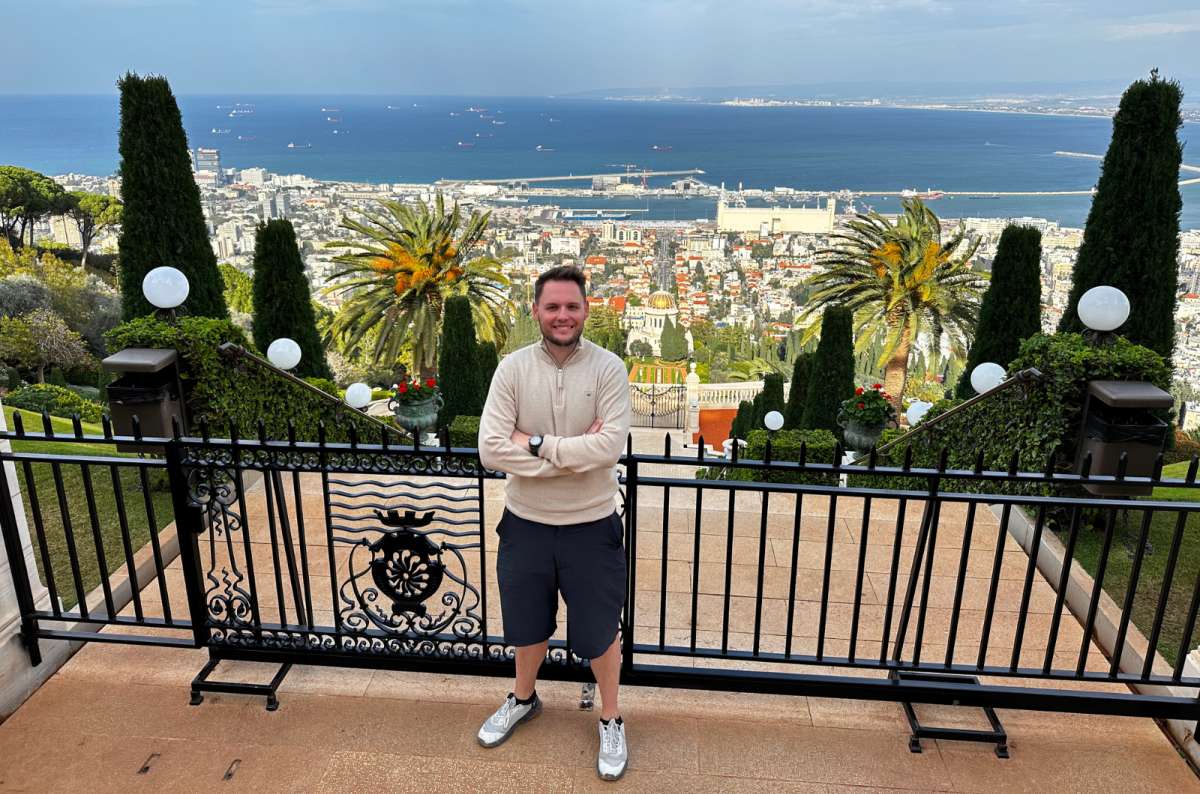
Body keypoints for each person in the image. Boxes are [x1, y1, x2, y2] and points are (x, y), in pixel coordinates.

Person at [476, 265, 632, 781]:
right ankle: (523, 698)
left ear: (586, 310)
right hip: (526, 523)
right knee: (526, 625)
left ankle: (611, 717)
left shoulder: (609, 369)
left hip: (592, 524)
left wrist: (536, 442)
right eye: (552, 307)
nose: (562, 316)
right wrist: (574, 453)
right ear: (536, 311)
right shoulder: (513, 369)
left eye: (571, 306)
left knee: (599, 630)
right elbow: (490, 448)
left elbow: (609, 448)